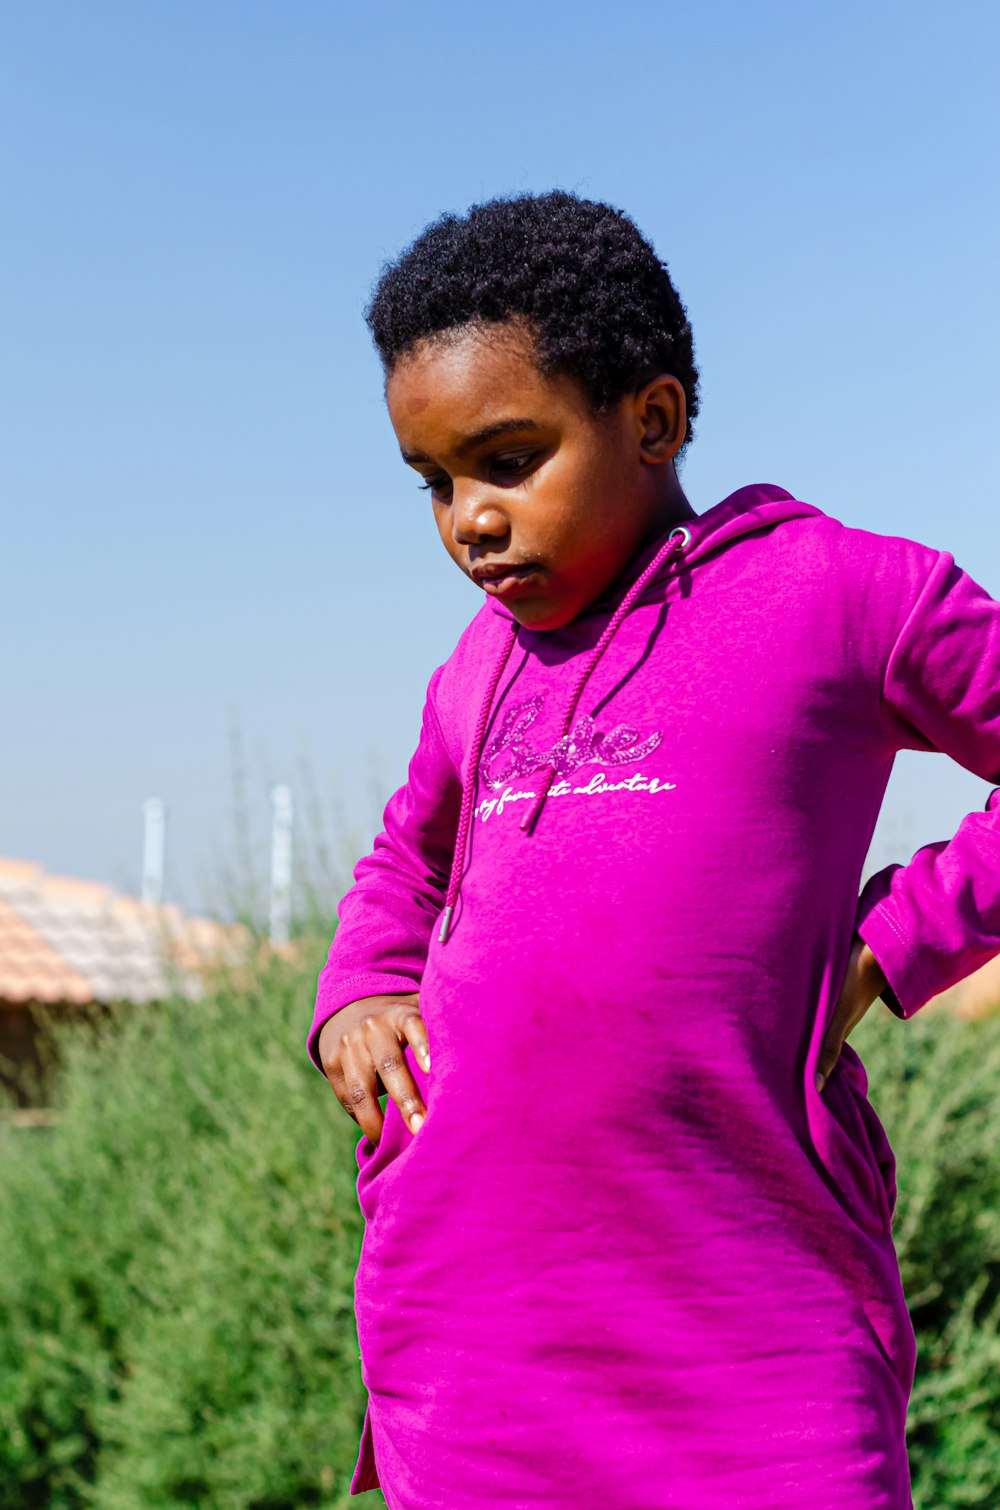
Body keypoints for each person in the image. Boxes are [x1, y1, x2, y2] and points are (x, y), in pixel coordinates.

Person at [306, 191, 1000, 1509]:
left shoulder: (844, 596)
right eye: (436, 482)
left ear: (655, 419)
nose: (468, 518)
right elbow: (406, 853)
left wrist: (891, 940)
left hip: (749, 1346)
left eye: (507, 459)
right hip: (471, 1356)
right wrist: (361, 985)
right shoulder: (480, 667)